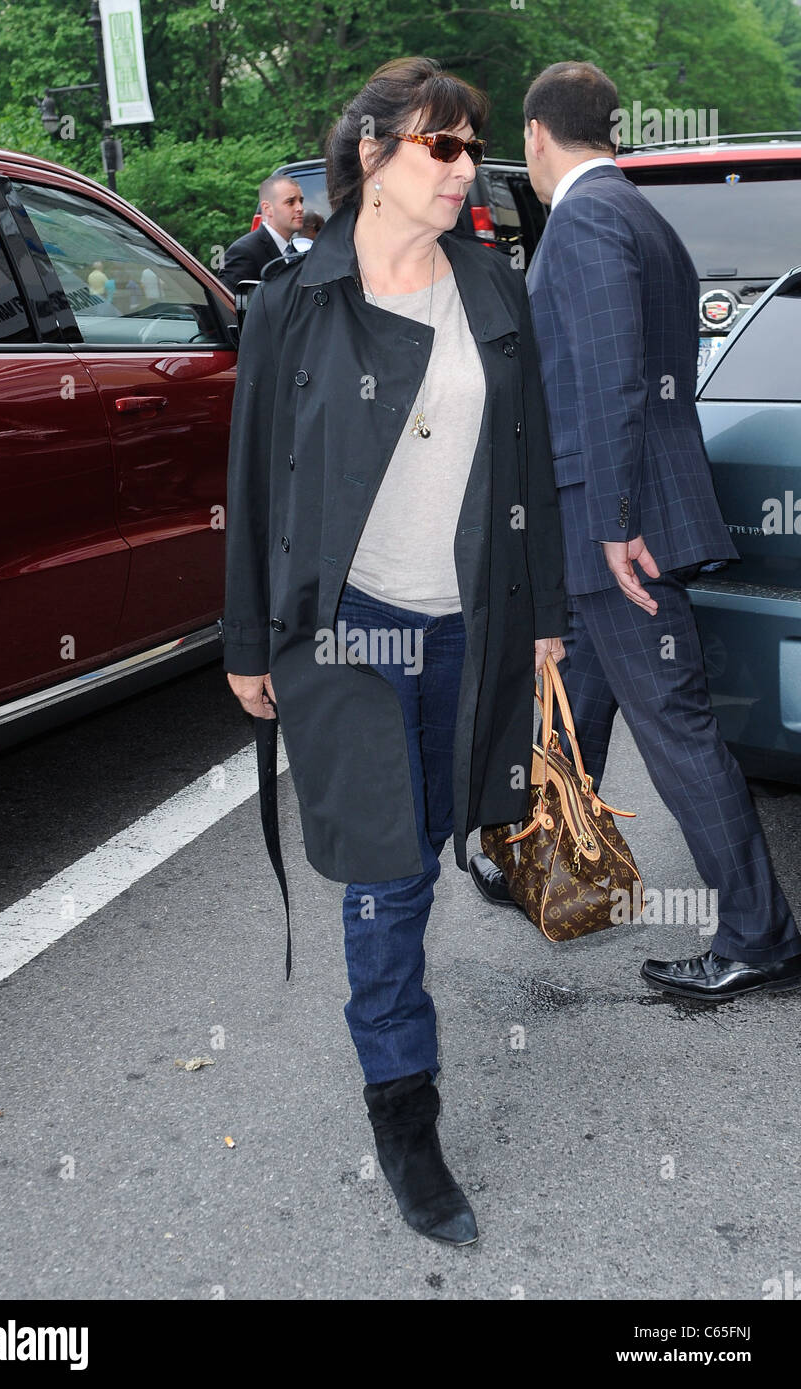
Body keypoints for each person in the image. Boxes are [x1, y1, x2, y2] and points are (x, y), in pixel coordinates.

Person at [221, 55, 567, 1246]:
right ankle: (407, 1122)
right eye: (446, 146)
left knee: (434, 833)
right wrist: (248, 639)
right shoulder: (293, 300)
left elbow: (529, 463)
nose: (468, 168)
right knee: (390, 882)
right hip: (347, 632)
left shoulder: (494, 288)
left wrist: (550, 620)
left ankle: (399, 1071)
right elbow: (256, 476)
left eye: (474, 146)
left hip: (469, 623)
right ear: (374, 155)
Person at [470, 61, 801, 1000]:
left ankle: (757, 934)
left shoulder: (585, 222)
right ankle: (537, 853)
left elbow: (616, 383)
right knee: (574, 701)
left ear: (537, 135)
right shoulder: (646, 217)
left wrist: (615, 524)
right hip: (610, 515)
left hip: (616, 527)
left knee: (679, 730)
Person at [217, 175, 305, 293]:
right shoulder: (243, 252)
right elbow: (228, 305)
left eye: (301, 201)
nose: (300, 208)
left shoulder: (295, 252)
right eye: (290, 202)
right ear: (267, 208)